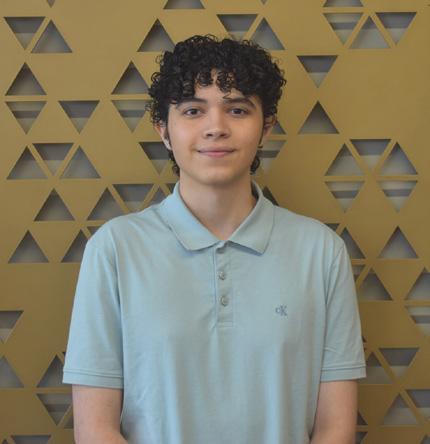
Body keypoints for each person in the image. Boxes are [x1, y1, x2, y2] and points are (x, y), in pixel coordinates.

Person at [63, 34, 366, 444]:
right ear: (163, 130)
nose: (216, 128)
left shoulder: (321, 251)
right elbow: (94, 429)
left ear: (266, 127)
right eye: (193, 110)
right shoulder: (115, 249)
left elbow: (335, 428)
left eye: (237, 110)